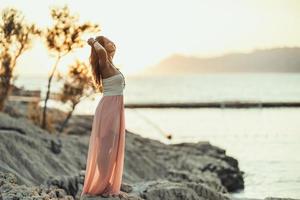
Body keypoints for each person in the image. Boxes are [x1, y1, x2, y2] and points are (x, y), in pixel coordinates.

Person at [80, 35, 127, 198]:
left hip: (115, 108)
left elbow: (108, 49)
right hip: (108, 108)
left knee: (110, 147)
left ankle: (105, 180)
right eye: (107, 41)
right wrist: (93, 42)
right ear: (102, 48)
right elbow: (100, 51)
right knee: (105, 148)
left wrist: (102, 44)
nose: (112, 42)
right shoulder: (104, 63)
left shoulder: (111, 64)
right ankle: (101, 182)